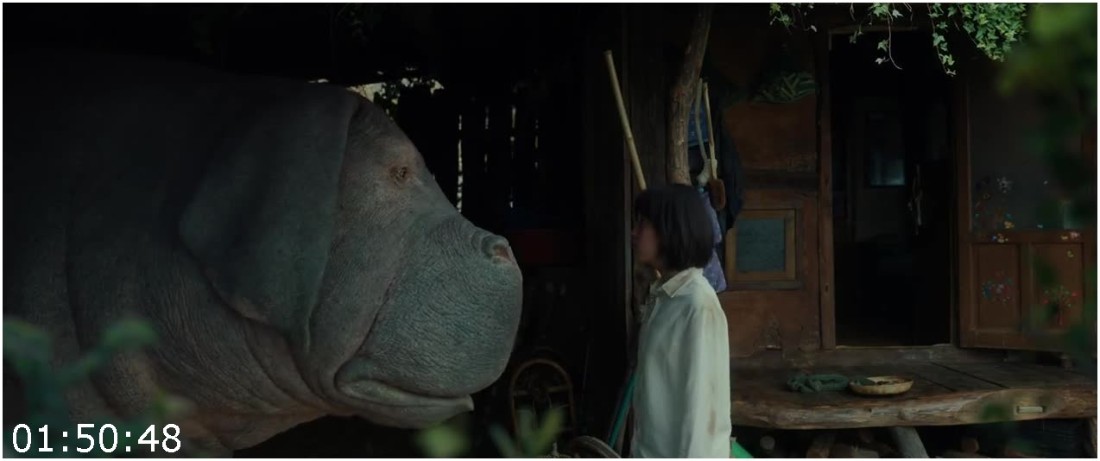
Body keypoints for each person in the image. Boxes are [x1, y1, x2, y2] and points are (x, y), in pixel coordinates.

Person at [630, 184, 732, 458]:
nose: (634, 232)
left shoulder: (697, 306)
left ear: (669, 231)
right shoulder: (664, 297)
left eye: (643, 224)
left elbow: (700, 416)